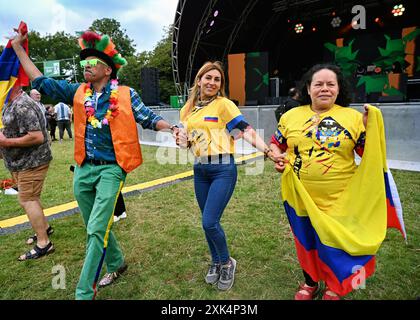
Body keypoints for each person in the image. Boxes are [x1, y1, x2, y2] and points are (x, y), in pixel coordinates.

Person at [11, 29, 178, 300]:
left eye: (91, 63)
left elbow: (148, 118)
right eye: (83, 64)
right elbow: (41, 82)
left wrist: (172, 128)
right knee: (93, 225)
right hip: (83, 169)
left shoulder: (125, 94)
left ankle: (83, 293)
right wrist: (19, 48)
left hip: (112, 168)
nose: (85, 67)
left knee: (97, 229)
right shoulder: (77, 92)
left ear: (108, 70)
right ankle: (116, 262)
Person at [174, 61, 278, 291]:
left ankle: (227, 262)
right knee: (208, 223)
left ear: (220, 85)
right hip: (200, 170)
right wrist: (182, 141)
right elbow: (187, 143)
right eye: (208, 78)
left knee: (209, 221)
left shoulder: (224, 105)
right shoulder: (188, 109)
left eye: (217, 79)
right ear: (198, 80)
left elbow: (246, 131)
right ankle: (216, 261)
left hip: (222, 169)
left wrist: (268, 151)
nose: (212, 82)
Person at [269, 64, 370, 300]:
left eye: (330, 84)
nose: (324, 88)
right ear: (308, 88)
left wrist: (371, 128)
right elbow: (276, 143)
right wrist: (276, 156)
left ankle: (335, 285)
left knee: (334, 242)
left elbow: (370, 155)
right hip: (298, 196)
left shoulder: (353, 118)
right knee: (306, 241)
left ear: (338, 89)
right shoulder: (291, 116)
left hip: (340, 197)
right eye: (318, 84)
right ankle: (310, 282)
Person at [0, 85, 54, 260]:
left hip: (32, 162)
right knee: (32, 197)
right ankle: (44, 229)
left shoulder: (22, 104)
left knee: (27, 199)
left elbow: (36, 136)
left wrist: (6, 142)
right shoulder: (9, 102)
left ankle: (44, 243)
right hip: (19, 162)